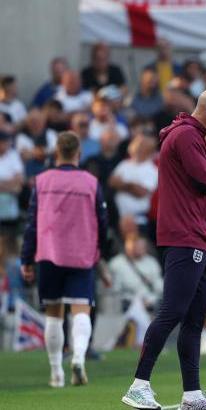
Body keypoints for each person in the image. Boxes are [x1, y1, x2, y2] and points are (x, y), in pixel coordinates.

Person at [121, 87, 206, 410]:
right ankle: (139, 384)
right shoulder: (186, 136)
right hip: (186, 237)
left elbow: (201, 185)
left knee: (195, 320)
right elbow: (205, 181)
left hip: (198, 238)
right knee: (172, 311)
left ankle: (192, 396)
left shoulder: (192, 136)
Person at [20, 131, 108, 388]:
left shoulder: (41, 181)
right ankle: (78, 358)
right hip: (81, 253)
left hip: (49, 254)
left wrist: (27, 258)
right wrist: (99, 250)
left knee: (54, 314)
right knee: (81, 309)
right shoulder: (91, 183)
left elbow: (31, 224)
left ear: (56, 153)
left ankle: (56, 372)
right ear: (78, 154)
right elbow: (102, 222)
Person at [0, 131, 24, 234]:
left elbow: (19, 180)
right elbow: (14, 182)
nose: (6, 145)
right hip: (10, 191)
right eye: (3, 142)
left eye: (7, 142)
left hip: (11, 197)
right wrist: (10, 185)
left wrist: (2, 185)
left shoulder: (13, 155)